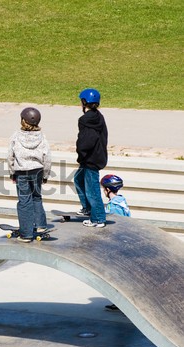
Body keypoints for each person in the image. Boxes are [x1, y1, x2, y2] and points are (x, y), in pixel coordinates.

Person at [7, 107, 51, 242]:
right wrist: (45, 175)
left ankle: (26, 233)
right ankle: (41, 226)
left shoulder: (16, 136)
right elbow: (47, 158)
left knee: (24, 201)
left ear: (22, 120)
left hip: (21, 171)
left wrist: (12, 173)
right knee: (37, 197)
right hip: (37, 171)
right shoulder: (42, 137)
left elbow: (10, 156)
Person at [73, 88, 108, 228]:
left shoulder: (85, 120)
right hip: (97, 156)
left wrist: (81, 154)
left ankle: (98, 218)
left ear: (84, 102)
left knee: (92, 190)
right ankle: (87, 208)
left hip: (90, 159)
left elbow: (85, 141)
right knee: (78, 179)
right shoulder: (99, 116)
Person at [101, 174, 131, 311]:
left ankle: (123, 304)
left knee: (118, 277)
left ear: (107, 190)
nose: (103, 191)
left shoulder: (114, 207)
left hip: (119, 244)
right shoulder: (121, 201)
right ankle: (120, 302)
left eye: (103, 189)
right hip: (124, 242)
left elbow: (117, 227)